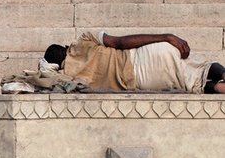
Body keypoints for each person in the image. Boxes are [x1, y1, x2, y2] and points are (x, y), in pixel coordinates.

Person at [43, 31, 225, 94]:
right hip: (144, 55)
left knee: (192, 84)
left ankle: (217, 88)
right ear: (65, 46)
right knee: (203, 66)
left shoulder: (67, 77)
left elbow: (42, 77)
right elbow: (120, 43)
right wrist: (166, 37)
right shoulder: (84, 40)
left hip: (139, 79)